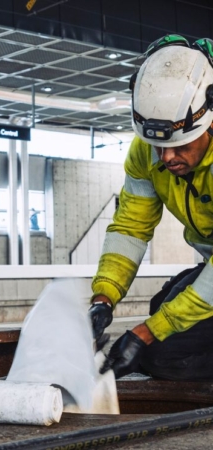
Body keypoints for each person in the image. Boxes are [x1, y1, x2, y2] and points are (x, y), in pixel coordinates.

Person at [89, 34, 213, 381]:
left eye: (180, 145)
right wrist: (103, 298)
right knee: (163, 311)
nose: (167, 158)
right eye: (158, 148)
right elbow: (131, 227)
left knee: (162, 352)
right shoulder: (147, 154)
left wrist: (146, 332)